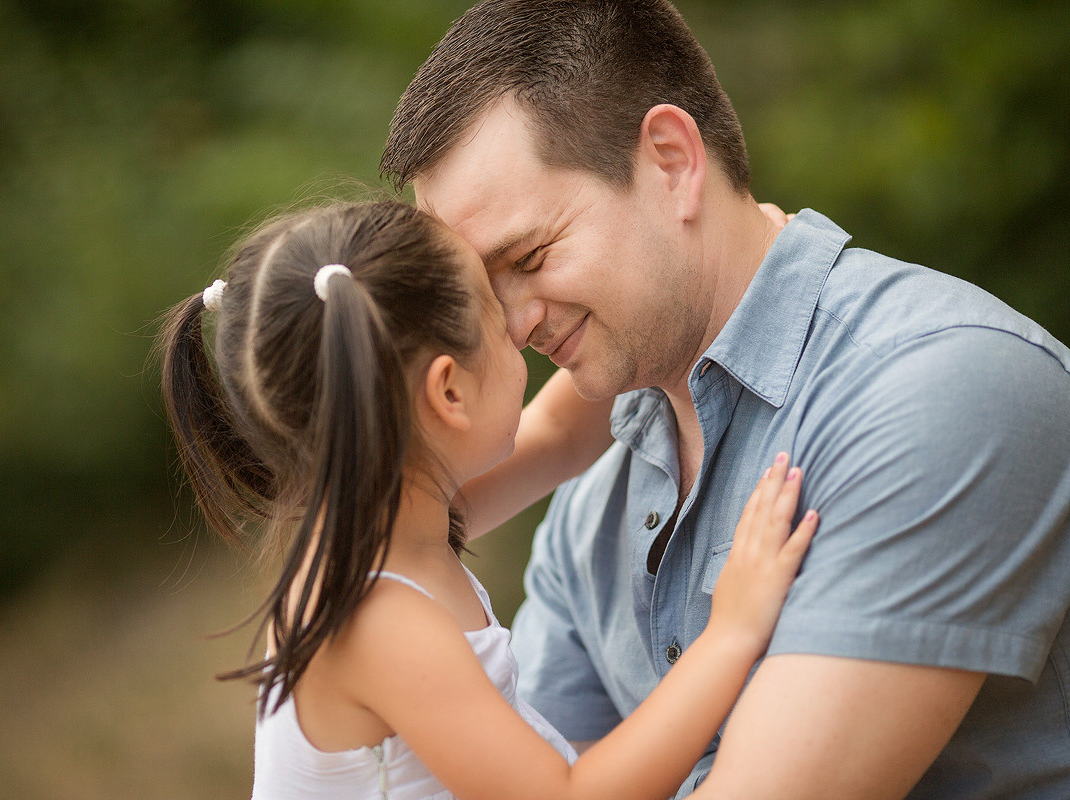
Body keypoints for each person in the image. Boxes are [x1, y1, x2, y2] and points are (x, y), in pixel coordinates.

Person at [380, 1, 1070, 797]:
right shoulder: (586, 511)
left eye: (531, 255)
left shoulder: (940, 390)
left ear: (672, 160)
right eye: (480, 290)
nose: (511, 323)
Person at [157, 199, 816, 800]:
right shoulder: (376, 622)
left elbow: (560, 432)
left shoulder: (385, 520)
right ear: (449, 393)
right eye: (502, 326)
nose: (528, 332)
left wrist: (718, 274)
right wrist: (729, 634)